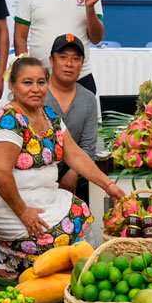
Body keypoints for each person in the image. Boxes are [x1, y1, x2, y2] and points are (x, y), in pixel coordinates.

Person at [0, 56, 124, 281]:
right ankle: (6, 261)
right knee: (56, 238)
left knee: (80, 211)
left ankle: (60, 274)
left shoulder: (49, 114)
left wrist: (109, 185)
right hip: (9, 205)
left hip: (41, 197)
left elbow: (75, 154)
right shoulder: (8, 120)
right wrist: (23, 213)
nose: (35, 89)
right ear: (13, 86)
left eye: (41, 82)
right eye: (27, 83)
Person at [43, 34, 98, 195]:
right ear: (51, 61)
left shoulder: (88, 99)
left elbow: (88, 146)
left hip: (76, 180)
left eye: (76, 59)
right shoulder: (37, 94)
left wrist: (73, 173)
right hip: (38, 180)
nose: (69, 64)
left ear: (82, 64)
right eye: (63, 57)